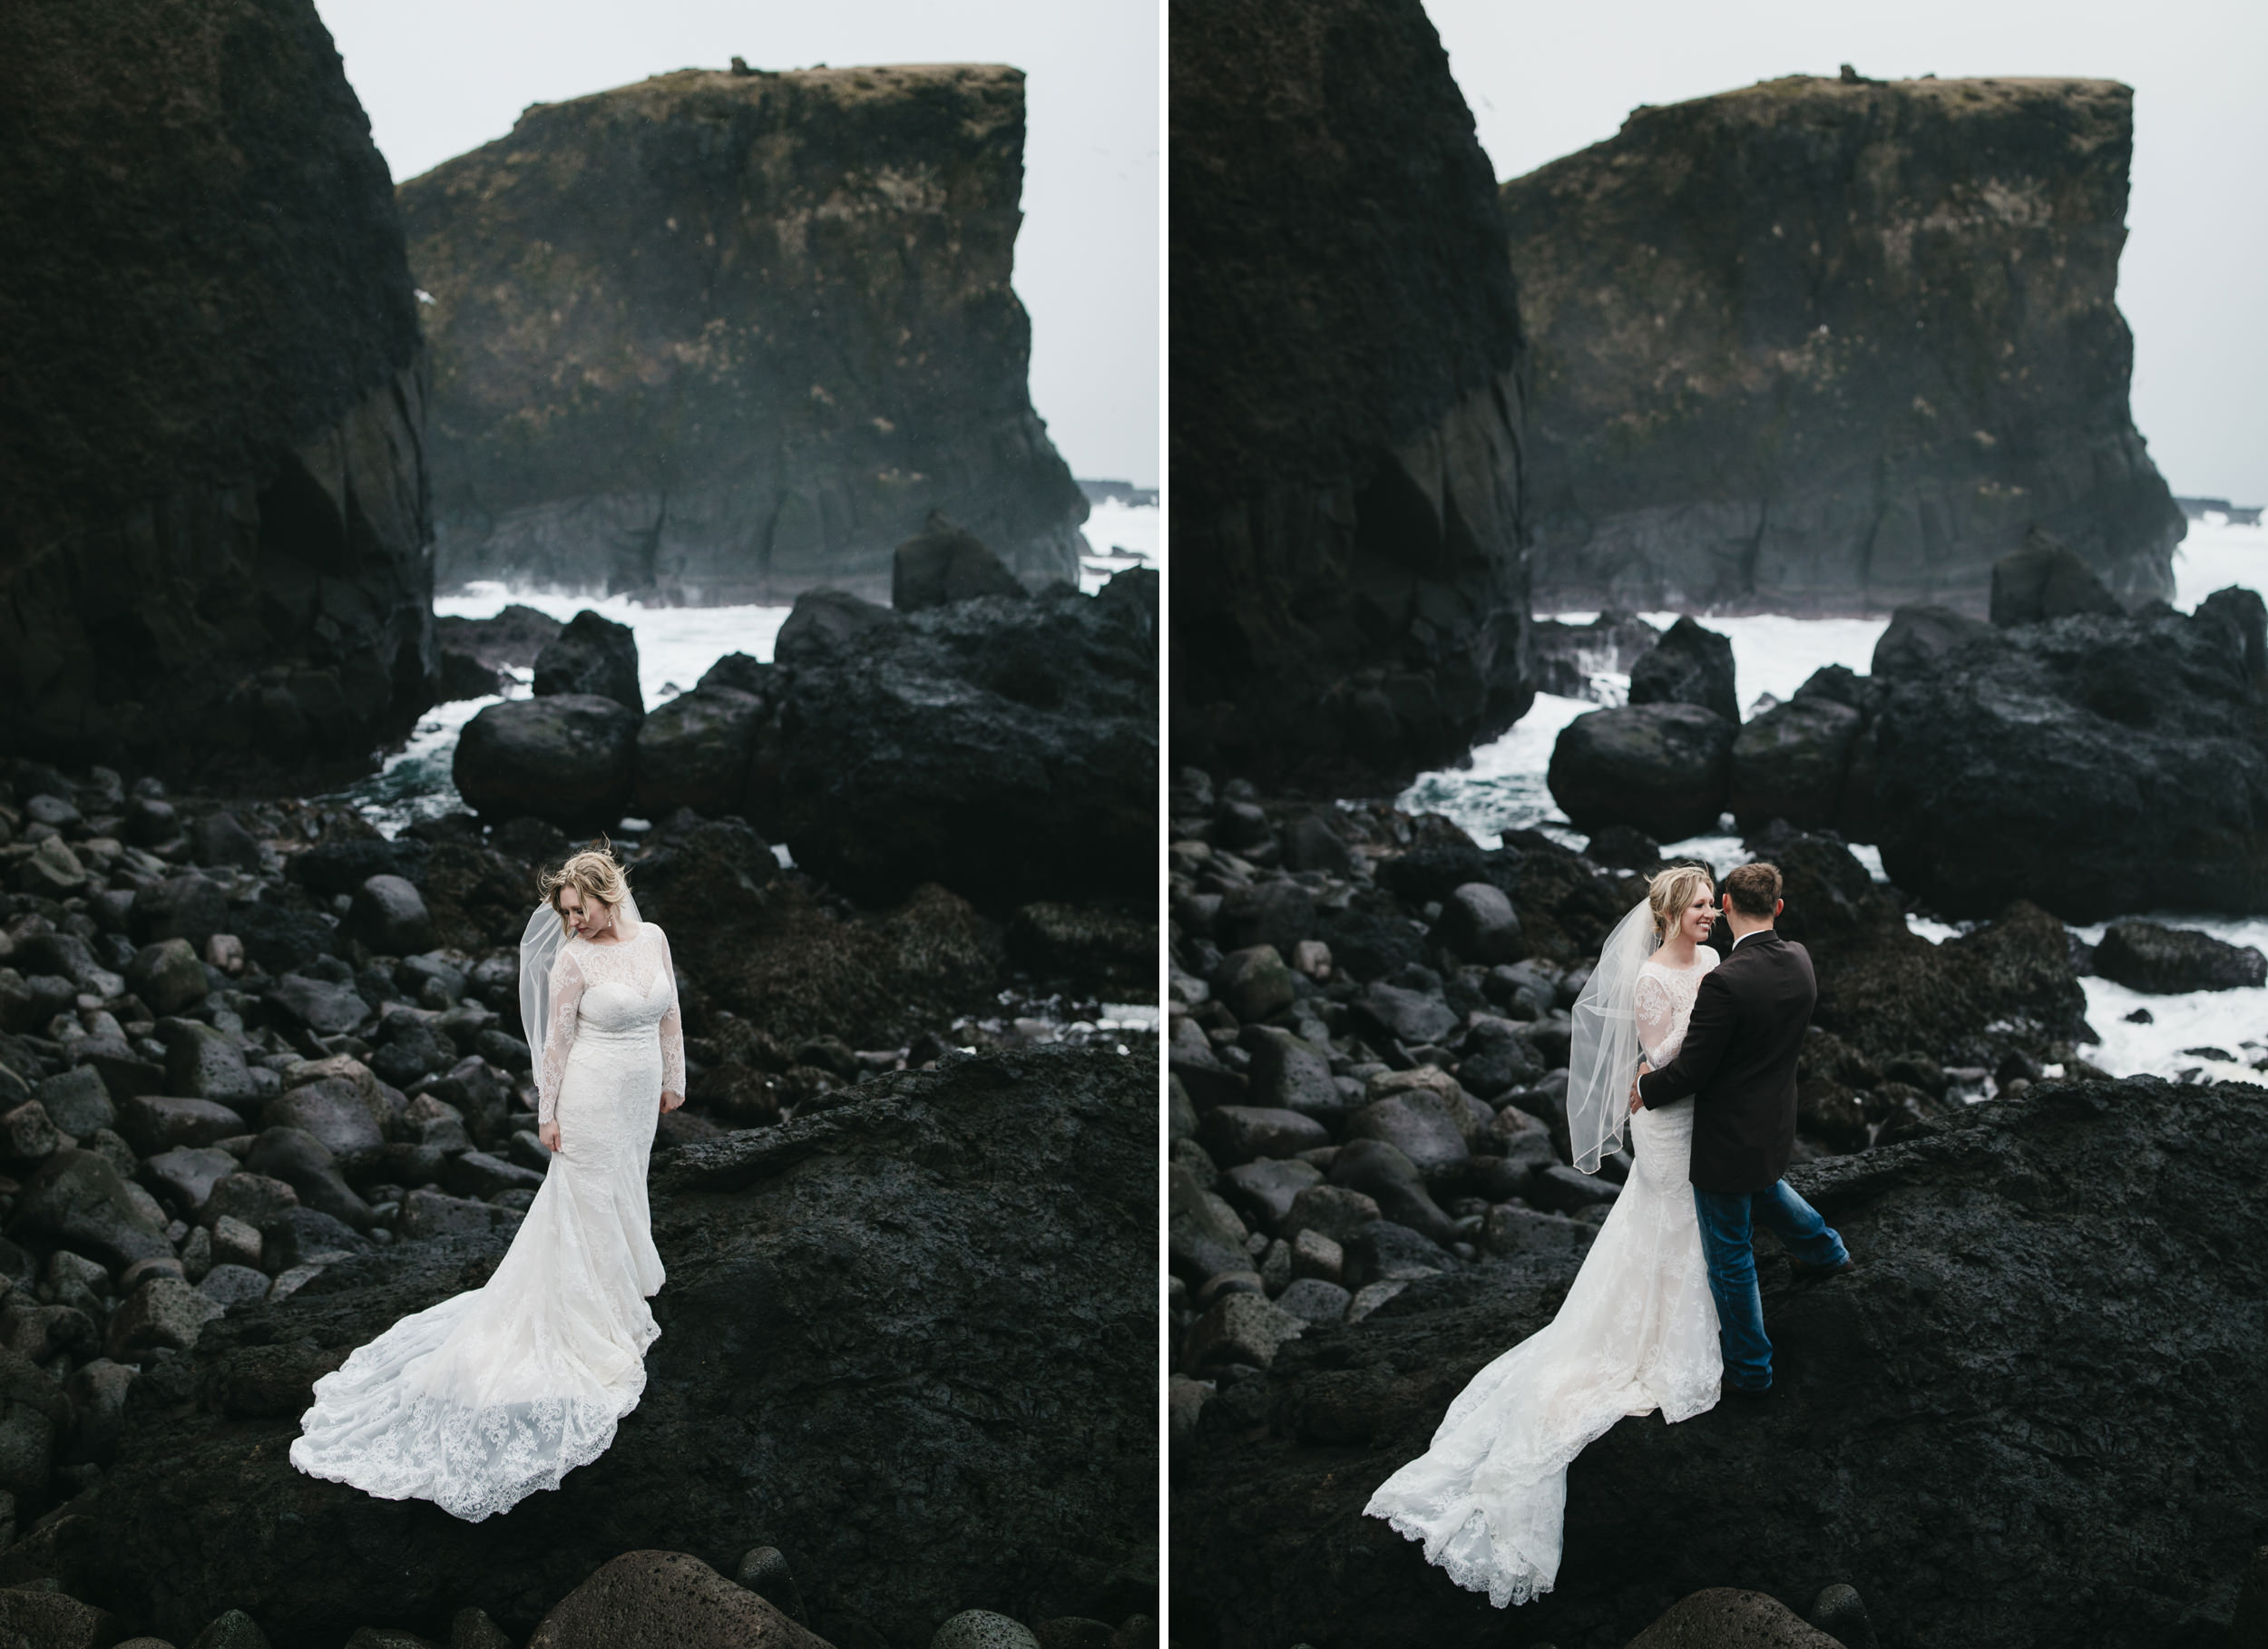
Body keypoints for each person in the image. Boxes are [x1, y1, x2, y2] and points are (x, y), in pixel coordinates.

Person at [1364, 863, 1733, 1606]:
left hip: (1705, 1113)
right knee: (1666, 1215)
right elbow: (1661, 1060)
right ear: (1667, 913)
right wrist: (1703, 1063)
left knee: (1686, 1219)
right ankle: (1649, 1338)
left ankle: (1680, 1313)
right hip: (1668, 1118)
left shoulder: (1718, 963)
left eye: (1710, 907)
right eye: (1698, 907)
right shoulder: (1651, 979)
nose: (1710, 917)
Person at [289, 844, 686, 1521]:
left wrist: (675, 1077)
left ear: (605, 892)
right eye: (564, 913)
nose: (574, 922)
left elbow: (671, 1014)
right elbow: (555, 1046)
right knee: (585, 1198)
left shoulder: (653, 937)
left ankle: (618, 1282)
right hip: (589, 1096)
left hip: (639, 1093)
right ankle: (591, 1314)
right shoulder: (572, 959)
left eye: (579, 909)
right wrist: (549, 1115)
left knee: (626, 1186)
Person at [1632, 858, 1851, 1396]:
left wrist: (1645, 1089)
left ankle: (1752, 1370)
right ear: (1778, 908)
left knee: (1731, 1258)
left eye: (1712, 903)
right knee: (1769, 1191)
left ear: (1727, 904)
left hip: (1725, 1135)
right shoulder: (1800, 959)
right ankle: (1828, 1252)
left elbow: (1694, 1070)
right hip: (1773, 1122)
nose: (1708, 911)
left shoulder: (1725, 979)